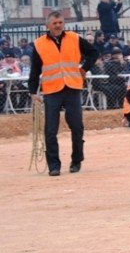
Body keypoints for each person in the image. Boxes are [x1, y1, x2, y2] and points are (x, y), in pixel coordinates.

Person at [28, 11, 99, 176]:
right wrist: (33, 92)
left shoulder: (74, 38)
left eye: (60, 22)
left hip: (72, 88)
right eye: (54, 23)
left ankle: (76, 160)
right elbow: (34, 70)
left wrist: (84, 68)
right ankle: (54, 165)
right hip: (52, 90)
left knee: (76, 126)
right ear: (48, 25)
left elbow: (94, 53)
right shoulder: (39, 44)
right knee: (50, 129)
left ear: (64, 23)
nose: (58, 25)